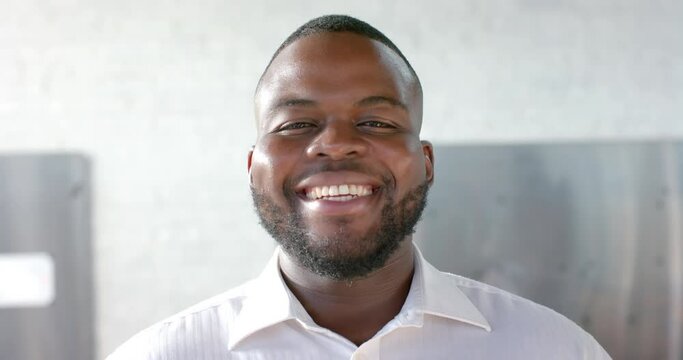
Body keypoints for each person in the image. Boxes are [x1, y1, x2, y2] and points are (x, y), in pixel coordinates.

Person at [107, 15, 611, 359]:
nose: (336, 145)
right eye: (295, 125)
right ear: (252, 166)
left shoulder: (553, 350)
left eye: (376, 122)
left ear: (426, 162)